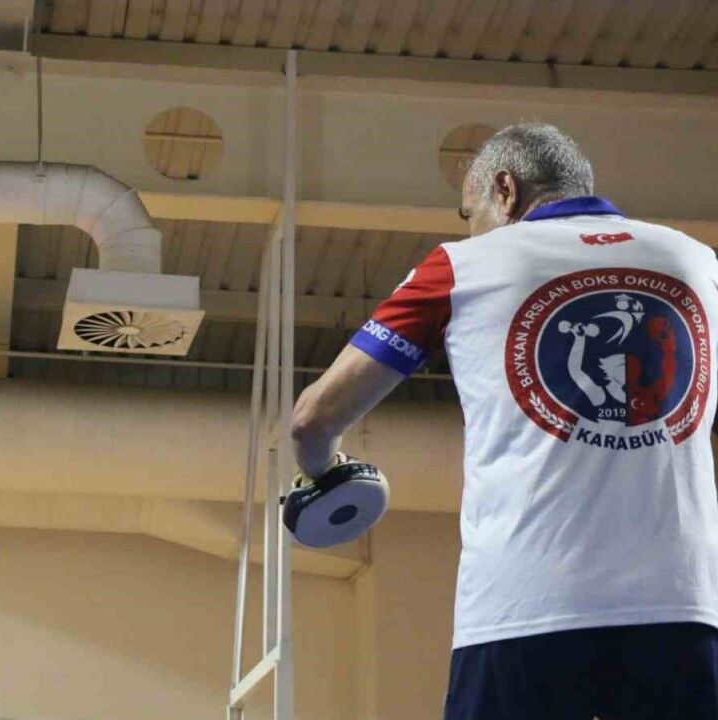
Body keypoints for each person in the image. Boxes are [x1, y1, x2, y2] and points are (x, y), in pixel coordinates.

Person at [288, 123, 718, 719]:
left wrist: (325, 473)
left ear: (505, 190)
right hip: (685, 616)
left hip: (521, 614)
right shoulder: (699, 261)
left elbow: (312, 419)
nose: (470, 231)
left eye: (471, 214)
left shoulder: (461, 266)